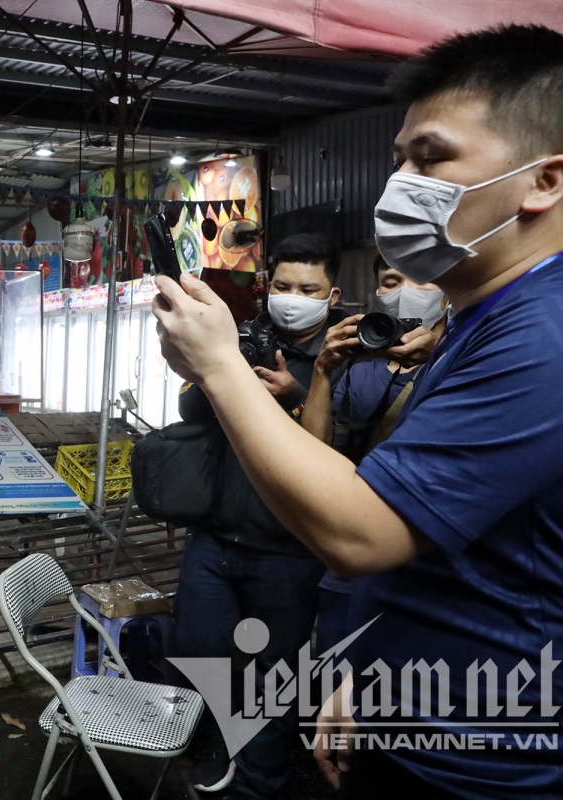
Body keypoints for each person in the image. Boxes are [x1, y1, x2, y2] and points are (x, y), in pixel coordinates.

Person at [152, 25, 563, 799]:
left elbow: (359, 530)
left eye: (432, 158)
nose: (399, 184)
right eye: (399, 158)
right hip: (417, 718)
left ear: (543, 180)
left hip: (487, 765)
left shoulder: (546, 336)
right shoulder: (482, 321)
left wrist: (217, 366)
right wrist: (371, 677)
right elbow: (448, 551)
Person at [176, 233, 349, 798]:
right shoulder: (242, 342)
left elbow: (348, 453)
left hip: (289, 554)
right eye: (282, 285)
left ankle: (260, 783)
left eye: (308, 289)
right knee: (201, 653)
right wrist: (218, 370)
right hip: (215, 538)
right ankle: (227, 746)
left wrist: (297, 395)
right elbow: (192, 411)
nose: (292, 297)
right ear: (265, 286)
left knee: (273, 679)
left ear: (333, 294)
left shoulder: (347, 358)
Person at [301, 256, 445, 649]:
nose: (406, 293)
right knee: (336, 674)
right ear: (378, 293)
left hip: (421, 558)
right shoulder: (361, 367)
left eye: (424, 280)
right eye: (392, 281)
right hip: (350, 557)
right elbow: (315, 450)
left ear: (448, 293)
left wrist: (442, 352)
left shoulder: (457, 360)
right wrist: (323, 369)